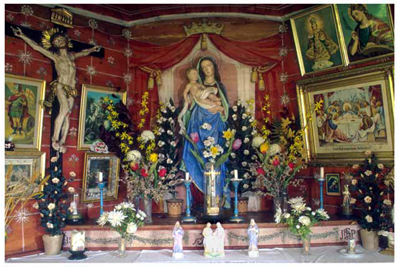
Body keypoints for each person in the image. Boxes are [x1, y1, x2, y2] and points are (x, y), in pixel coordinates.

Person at [11, 26, 101, 153]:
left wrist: (93, 49)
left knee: (68, 115)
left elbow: (84, 52)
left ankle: (63, 141)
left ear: (65, 40)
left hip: (72, 88)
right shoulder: (55, 56)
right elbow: (37, 47)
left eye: (61, 39)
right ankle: (54, 139)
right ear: (54, 45)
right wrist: (22, 35)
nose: (60, 42)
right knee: (63, 110)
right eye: (57, 41)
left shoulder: (71, 56)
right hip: (61, 86)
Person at [180, 56, 230, 209]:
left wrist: (222, 113)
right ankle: (199, 199)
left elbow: (225, 107)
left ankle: (219, 198)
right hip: (198, 122)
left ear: (214, 66)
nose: (207, 69)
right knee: (199, 153)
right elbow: (189, 104)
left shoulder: (219, 86)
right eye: (203, 67)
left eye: (209, 65)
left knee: (217, 156)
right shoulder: (196, 85)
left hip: (216, 124)